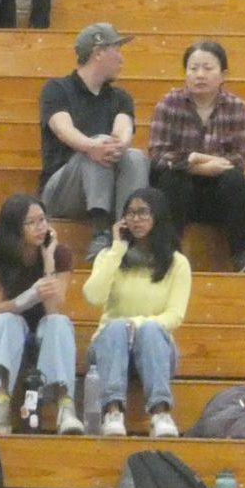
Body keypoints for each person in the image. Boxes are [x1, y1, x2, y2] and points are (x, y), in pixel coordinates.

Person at [149, 39, 245, 274]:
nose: (199, 75)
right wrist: (200, 165)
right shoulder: (168, 104)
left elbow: (239, 159)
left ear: (223, 74)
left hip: (218, 195)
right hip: (179, 194)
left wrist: (191, 159)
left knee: (236, 180)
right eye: (193, 69)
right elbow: (159, 155)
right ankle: (170, 255)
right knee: (173, 179)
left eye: (207, 68)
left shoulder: (236, 107)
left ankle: (242, 254)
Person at [0, 194, 84, 435]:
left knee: (59, 323)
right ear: (15, 228)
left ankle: (66, 407)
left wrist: (49, 260)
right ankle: (0, 404)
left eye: (43, 219)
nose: (40, 227)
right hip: (14, 330)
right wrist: (30, 295)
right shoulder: (1, 255)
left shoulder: (60, 253)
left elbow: (55, 308)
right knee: (4, 321)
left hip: (46, 329)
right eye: (31, 222)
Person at [83, 188, 192, 439]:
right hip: (110, 346)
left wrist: (137, 323)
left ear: (158, 217)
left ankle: (160, 413)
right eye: (130, 213)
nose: (136, 220)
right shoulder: (109, 256)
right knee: (115, 328)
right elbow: (93, 296)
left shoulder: (177, 263)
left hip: (155, 348)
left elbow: (174, 315)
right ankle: (112, 411)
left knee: (153, 329)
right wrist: (117, 250)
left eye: (143, 213)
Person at [40, 23, 150, 260]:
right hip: (63, 189)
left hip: (104, 183)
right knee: (96, 144)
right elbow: (63, 129)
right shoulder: (57, 89)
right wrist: (93, 146)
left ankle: (127, 233)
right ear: (98, 52)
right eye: (117, 50)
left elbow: (124, 127)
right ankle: (101, 231)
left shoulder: (120, 97)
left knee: (135, 156)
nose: (121, 58)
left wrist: (118, 144)